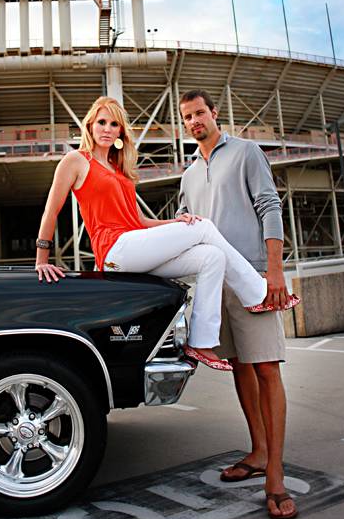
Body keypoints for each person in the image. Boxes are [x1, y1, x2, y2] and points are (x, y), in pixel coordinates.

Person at [36, 96, 269, 371]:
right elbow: (52, 210)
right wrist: (42, 258)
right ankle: (257, 293)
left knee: (211, 256)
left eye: (114, 124)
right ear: (90, 125)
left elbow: (137, 220)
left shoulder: (120, 170)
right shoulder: (76, 161)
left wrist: (175, 222)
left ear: (121, 132)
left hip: (134, 246)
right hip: (114, 252)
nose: (107, 129)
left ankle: (202, 342)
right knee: (204, 227)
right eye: (101, 122)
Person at [177, 89, 299, 519]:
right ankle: (260, 451)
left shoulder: (246, 152)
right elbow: (183, 225)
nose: (195, 122)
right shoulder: (189, 174)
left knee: (267, 366)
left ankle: (277, 478)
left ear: (215, 114)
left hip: (251, 275)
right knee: (242, 368)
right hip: (215, 283)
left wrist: (274, 271)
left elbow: (269, 205)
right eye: (187, 117)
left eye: (200, 113)